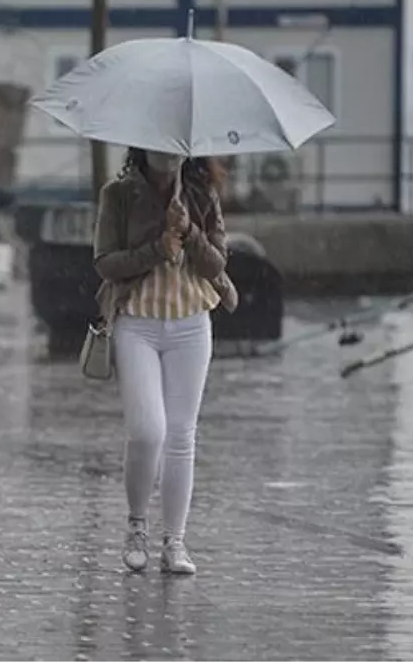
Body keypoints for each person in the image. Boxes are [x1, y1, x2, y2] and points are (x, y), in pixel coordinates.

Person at [92, 147, 238, 575]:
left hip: (191, 323)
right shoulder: (118, 194)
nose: (167, 156)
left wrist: (189, 230)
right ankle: (137, 524)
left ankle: (175, 540)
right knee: (146, 431)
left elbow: (217, 263)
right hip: (137, 322)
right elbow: (105, 264)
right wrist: (157, 247)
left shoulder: (201, 193)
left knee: (180, 434)